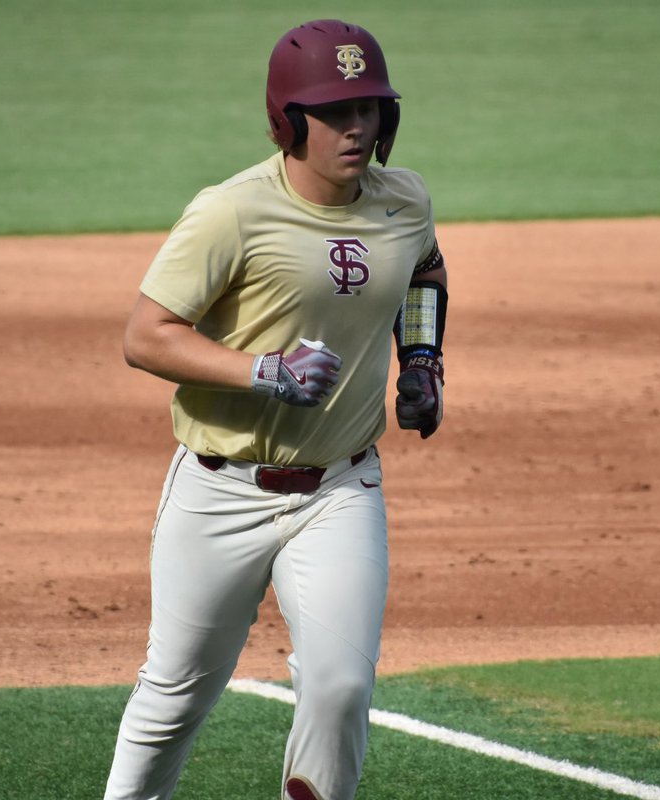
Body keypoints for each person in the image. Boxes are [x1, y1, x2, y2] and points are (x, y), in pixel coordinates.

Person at [103, 19, 449, 800]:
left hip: (339, 490)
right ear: (289, 121)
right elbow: (146, 337)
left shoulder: (405, 200)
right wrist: (261, 371)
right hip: (220, 489)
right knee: (177, 692)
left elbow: (423, 268)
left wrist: (422, 361)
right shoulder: (232, 212)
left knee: (339, 689)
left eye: (370, 108)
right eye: (334, 112)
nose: (356, 127)